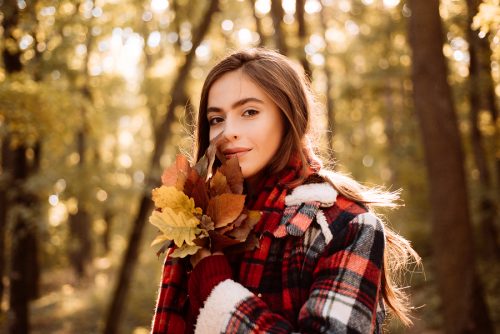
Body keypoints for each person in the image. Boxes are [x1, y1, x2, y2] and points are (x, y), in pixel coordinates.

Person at [151, 48, 420, 333]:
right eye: (217, 119)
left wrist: (217, 288)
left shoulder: (346, 225)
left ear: (290, 115)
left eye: (249, 112)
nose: (228, 131)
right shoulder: (197, 221)